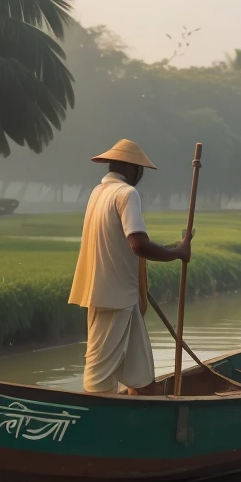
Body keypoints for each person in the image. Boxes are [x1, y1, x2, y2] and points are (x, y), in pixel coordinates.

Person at [68, 139, 191, 394]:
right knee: (98, 375)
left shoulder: (98, 193)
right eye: (140, 169)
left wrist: (172, 247)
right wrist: (177, 254)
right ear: (130, 168)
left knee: (142, 376)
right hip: (115, 297)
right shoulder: (126, 193)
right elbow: (138, 245)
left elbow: (120, 242)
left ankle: (149, 416)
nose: (141, 175)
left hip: (119, 295)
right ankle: (97, 422)